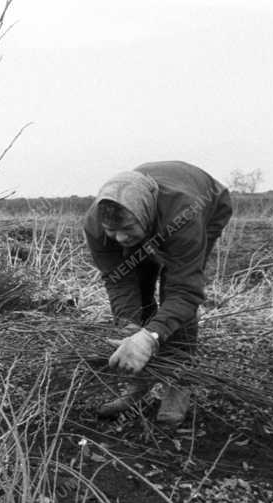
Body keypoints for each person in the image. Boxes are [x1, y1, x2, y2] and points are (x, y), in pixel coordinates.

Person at [83, 161, 232, 424]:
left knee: (173, 293)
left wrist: (151, 336)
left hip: (207, 206)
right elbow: (118, 281)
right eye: (112, 232)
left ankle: (177, 381)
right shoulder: (95, 223)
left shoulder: (184, 214)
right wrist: (130, 331)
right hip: (155, 219)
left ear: (144, 215)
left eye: (127, 229)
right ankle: (141, 381)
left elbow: (185, 291)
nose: (119, 238)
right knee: (137, 282)